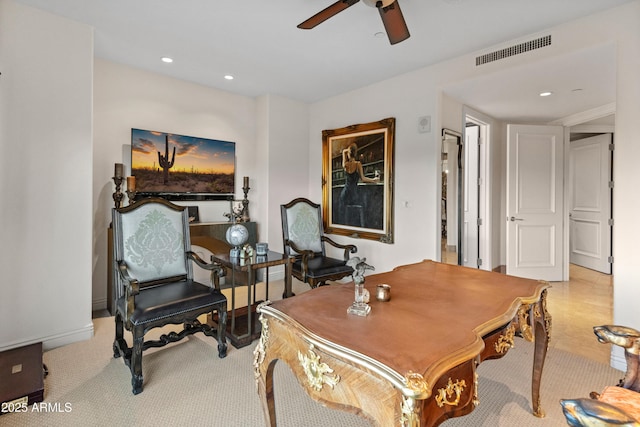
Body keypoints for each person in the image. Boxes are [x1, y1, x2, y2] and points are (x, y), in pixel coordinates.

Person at [339, 143, 379, 226]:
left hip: (344, 194)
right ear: (356, 153)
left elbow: (343, 151)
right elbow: (363, 179)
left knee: (346, 215)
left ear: (348, 154)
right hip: (353, 195)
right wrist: (374, 180)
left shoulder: (345, 164)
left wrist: (348, 150)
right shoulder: (358, 164)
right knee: (362, 209)